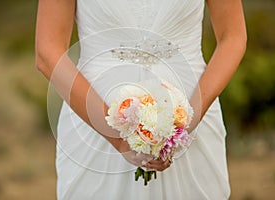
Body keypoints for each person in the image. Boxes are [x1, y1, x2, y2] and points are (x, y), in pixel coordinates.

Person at [35, 0, 246, 199]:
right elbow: (48, 52)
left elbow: (232, 38)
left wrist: (183, 126)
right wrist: (117, 139)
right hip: (92, 118)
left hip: (194, 113)